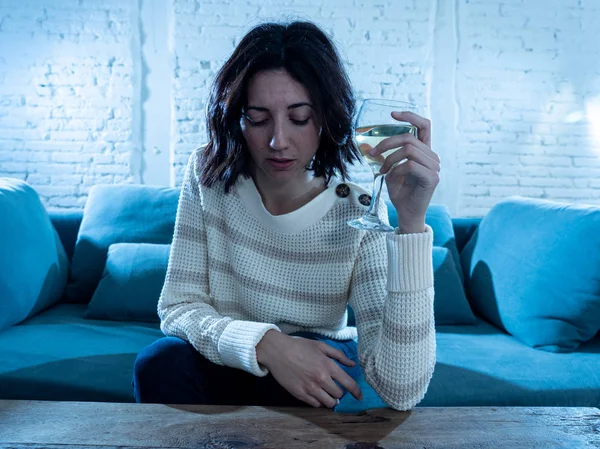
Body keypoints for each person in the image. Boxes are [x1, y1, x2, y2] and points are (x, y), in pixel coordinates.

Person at [132, 20, 440, 411]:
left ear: (327, 118)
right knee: (159, 364)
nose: (278, 142)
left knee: (305, 381)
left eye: (299, 118)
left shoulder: (358, 210)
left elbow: (402, 390)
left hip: (312, 364)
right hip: (230, 350)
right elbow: (179, 307)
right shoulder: (207, 176)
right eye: (258, 118)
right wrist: (268, 345)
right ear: (236, 118)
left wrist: (411, 225)